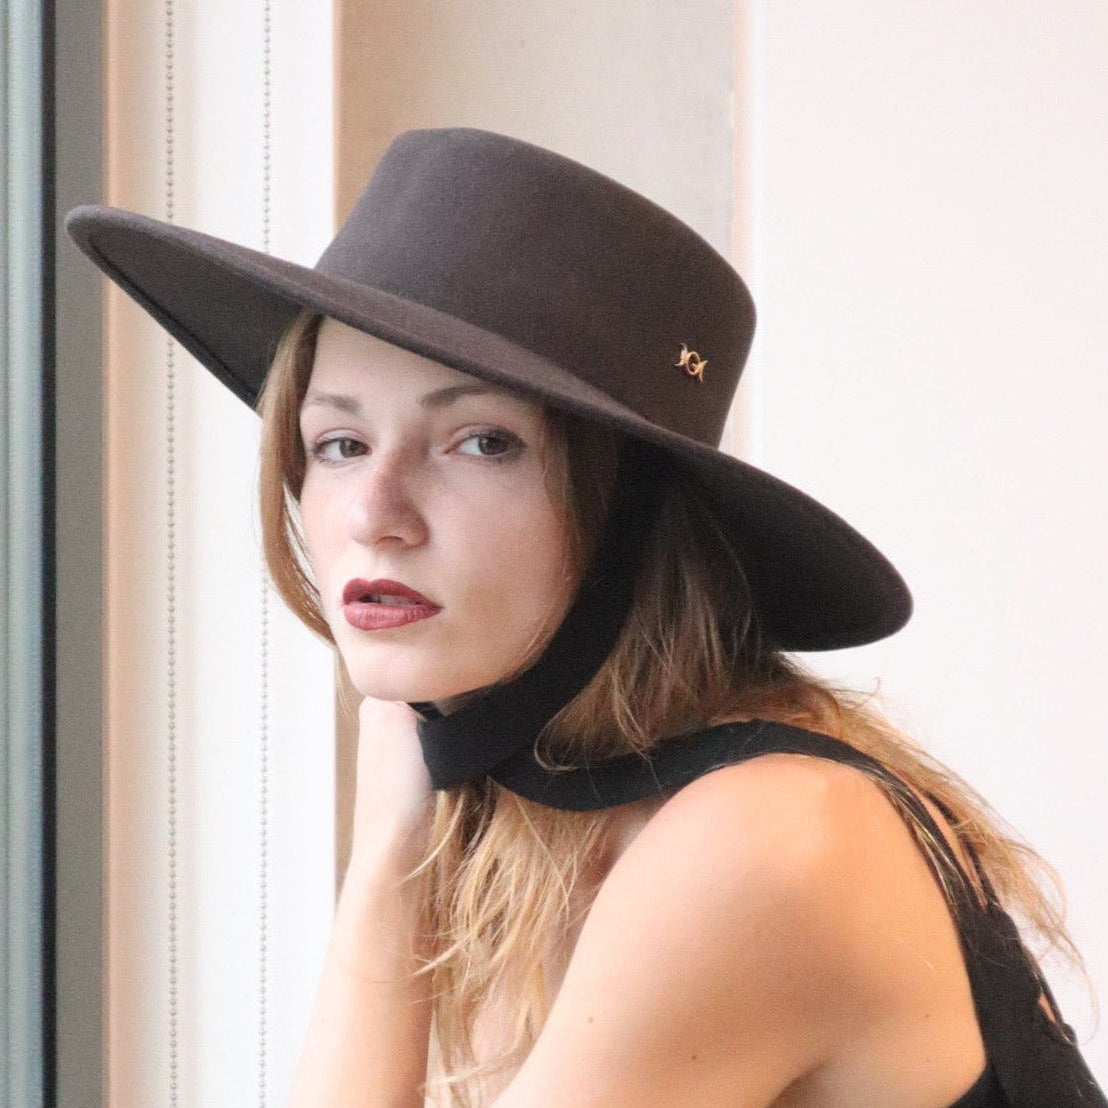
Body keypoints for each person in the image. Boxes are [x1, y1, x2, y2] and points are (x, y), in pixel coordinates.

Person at [67, 127, 1105, 1107]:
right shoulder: (533, 817)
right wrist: (393, 836)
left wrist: (388, 856)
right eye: (340, 444)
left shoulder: (768, 836)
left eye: (482, 442)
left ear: (634, 520)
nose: (374, 516)